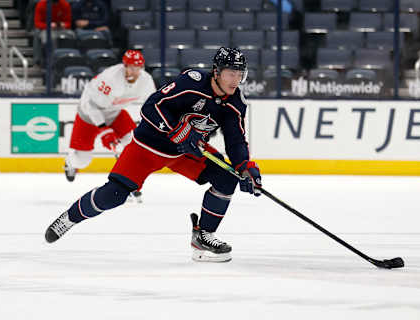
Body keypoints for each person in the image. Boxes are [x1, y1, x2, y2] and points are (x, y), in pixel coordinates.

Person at [45, 47, 262, 263]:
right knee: (114, 195)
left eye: (240, 74)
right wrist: (177, 129)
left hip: (184, 152)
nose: (236, 80)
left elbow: (235, 140)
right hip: (147, 147)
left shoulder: (236, 103)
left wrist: (245, 166)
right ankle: (70, 218)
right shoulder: (192, 82)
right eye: (230, 73)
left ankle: (203, 236)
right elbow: (151, 106)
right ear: (216, 71)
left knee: (227, 177)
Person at [64, 49, 156, 201]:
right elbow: (92, 106)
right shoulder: (110, 78)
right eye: (131, 67)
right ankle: (70, 162)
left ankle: (130, 183)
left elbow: (153, 103)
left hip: (115, 113)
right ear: (124, 66)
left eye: (138, 68)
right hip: (88, 115)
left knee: (133, 145)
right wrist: (103, 130)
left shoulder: (146, 80)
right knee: (83, 160)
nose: (135, 71)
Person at [33, 0, 73, 66]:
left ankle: (68, 59)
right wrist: (49, 25)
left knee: (72, 35)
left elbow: (68, 23)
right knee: (50, 38)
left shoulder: (65, 4)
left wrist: (63, 25)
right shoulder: (41, 4)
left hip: (60, 29)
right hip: (46, 29)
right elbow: (37, 23)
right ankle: (49, 62)